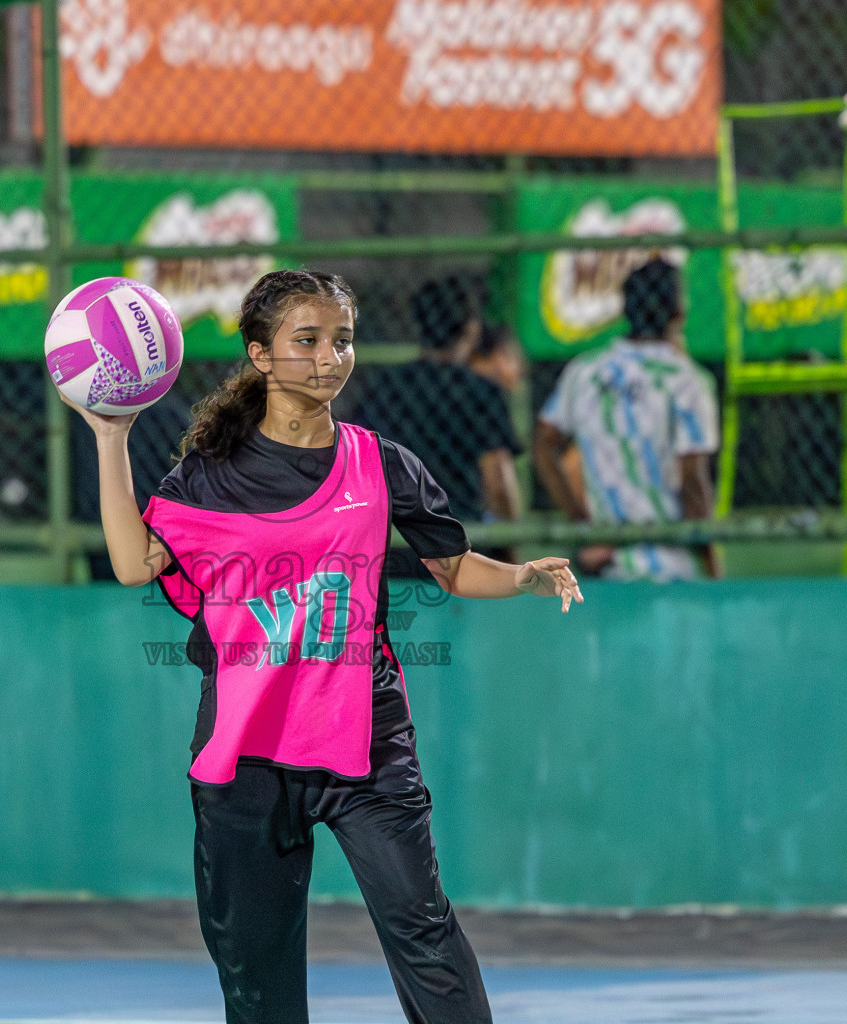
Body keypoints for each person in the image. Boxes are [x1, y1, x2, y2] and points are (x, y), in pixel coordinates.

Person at [62, 269, 582, 1024]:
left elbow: (452, 566)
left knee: (424, 932)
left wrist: (523, 578)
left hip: (365, 742)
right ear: (261, 357)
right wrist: (112, 436)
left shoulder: (382, 463)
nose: (329, 357)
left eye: (341, 340)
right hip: (246, 756)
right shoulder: (207, 479)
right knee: (256, 971)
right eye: (306, 341)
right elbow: (133, 562)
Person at [531, 257, 718, 581]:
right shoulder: (685, 380)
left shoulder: (585, 371)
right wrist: (712, 566)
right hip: (668, 567)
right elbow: (692, 481)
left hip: (607, 564)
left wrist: (582, 523)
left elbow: (543, 447)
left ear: (625, 310)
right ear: (678, 313)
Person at [355, 278, 522, 527]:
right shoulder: (481, 391)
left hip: (400, 532)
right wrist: (508, 549)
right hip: (462, 534)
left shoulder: (389, 386)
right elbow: (498, 482)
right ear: (471, 328)